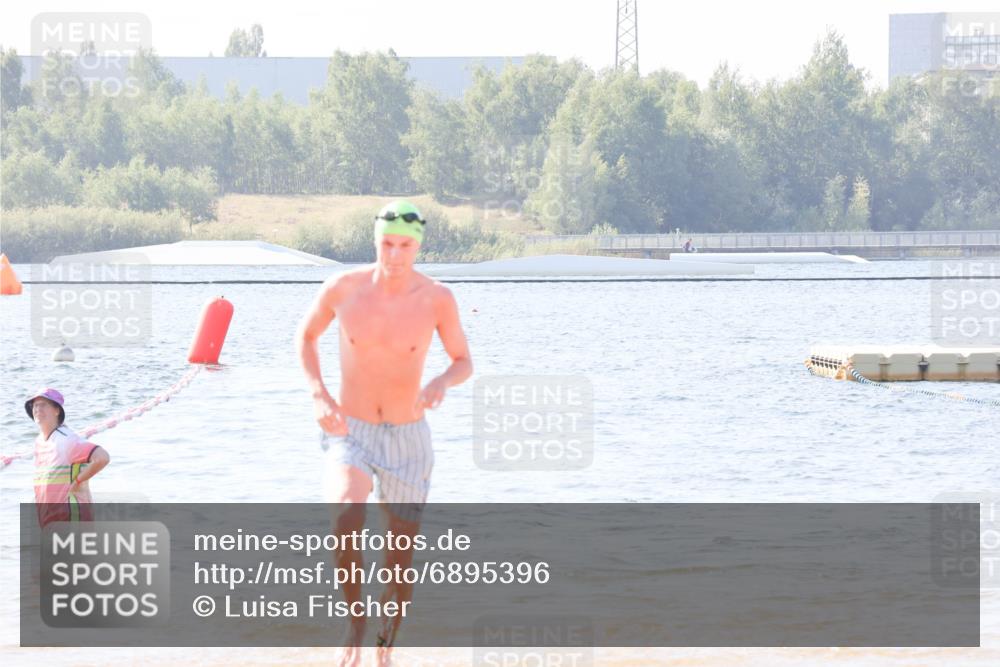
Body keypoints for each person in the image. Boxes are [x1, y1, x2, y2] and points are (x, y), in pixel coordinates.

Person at [296, 200, 473, 666]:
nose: (394, 255)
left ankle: (384, 646)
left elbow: (464, 362)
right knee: (344, 515)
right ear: (375, 241)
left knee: (398, 561)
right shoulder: (343, 288)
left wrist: (440, 382)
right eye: (386, 244)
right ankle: (355, 621)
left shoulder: (437, 298)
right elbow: (306, 336)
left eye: (405, 246)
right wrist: (318, 392)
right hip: (349, 428)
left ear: (418, 246)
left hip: (409, 439)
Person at [26, 388, 110, 528]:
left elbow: (102, 457)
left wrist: (78, 480)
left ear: (57, 410)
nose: (37, 408)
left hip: (73, 518)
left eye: (43, 404)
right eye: (35, 405)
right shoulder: (39, 442)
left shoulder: (66, 440)